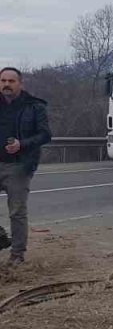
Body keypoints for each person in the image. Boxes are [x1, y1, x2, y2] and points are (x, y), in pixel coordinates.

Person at [0, 67, 52, 265]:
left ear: (20, 84)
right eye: (3, 80)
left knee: (17, 212)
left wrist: (21, 144)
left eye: (11, 81)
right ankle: (2, 238)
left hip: (19, 166)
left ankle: (17, 255)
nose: (6, 85)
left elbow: (45, 135)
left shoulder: (34, 106)